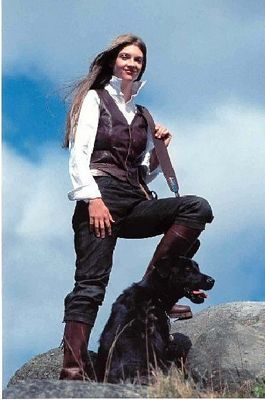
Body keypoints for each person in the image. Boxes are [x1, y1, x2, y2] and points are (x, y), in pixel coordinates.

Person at [60, 34, 213, 380]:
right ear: (113, 60)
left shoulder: (142, 114)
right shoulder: (94, 99)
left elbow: (141, 172)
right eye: (126, 57)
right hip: (99, 198)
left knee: (196, 208)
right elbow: (79, 155)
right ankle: (72, 370)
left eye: (138, 60)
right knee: (90, 285)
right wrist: (92, 199)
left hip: (134, 199)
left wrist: (160, 149)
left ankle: (152, 293)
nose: (131, 64)